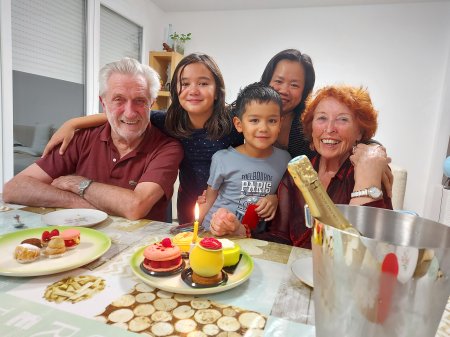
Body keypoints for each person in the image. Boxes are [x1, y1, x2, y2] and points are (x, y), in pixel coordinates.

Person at [40, 53, 244, 224]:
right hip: (189, 203)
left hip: (228, 204)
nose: (193, 90)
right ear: (175, 90)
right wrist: (74, 123)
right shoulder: (169, 121)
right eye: (185, 83)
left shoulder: (234, 124)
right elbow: (123, 115)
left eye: (203, 83)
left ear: (218, 90)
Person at [3, 57, 183, 221]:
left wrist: (79, 184)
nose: (129, 112)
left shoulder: (167, 148)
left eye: (140, 101)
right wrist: (79, 202)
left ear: (151, 103)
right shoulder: (81, 137)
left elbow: (135, 207)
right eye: (118, 100)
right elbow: (14, 188)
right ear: (103, 103)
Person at [209, 85, 392, 242]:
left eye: (342, 119)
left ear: (360, 132)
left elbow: (372, 249)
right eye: (321, 118)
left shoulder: (370, 170)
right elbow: (279, 237)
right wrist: (241, 231)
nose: (329, 129)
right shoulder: (296, 171)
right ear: (311, 127)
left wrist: (369, 172)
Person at [199, 82, 291, 235]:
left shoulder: (285, 160)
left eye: (272, 121)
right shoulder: (222, 159)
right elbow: (209, 200)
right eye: (254, 120)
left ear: (280, 123)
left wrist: (275, 199)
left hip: (251, 236)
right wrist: (195, 231)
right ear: (239, 124)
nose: (263, 128)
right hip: (215, 232)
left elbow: (287, 195)